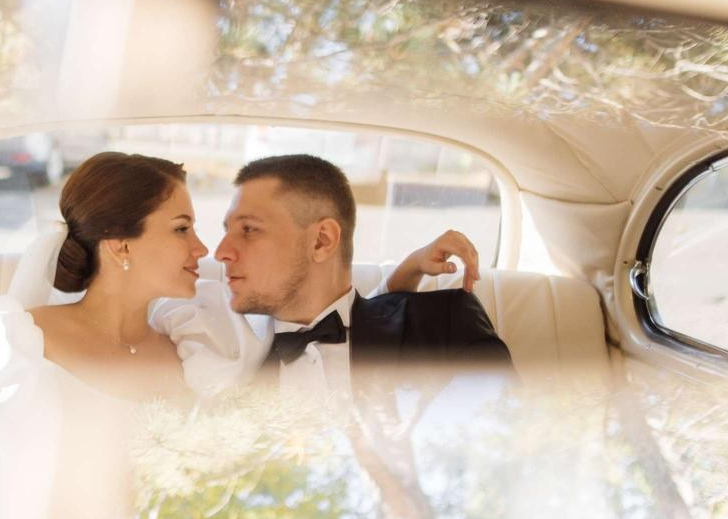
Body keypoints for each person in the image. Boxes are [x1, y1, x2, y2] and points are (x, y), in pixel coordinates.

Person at [0, 150, 495, 424]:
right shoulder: (2, 342)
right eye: (183, 229)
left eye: (244, 231)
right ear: (120, 244)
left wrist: (403, 283)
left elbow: (331, 306)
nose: (209, 251)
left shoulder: (203, 344)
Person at [215, 154, 513, 396]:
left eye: (249, 229)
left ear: (321, 241)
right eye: (227, 231)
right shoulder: (217, 348)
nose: (221, 252)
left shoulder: (445, 324)